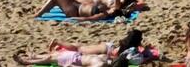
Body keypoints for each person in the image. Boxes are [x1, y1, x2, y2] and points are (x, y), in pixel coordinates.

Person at [14, 30, 143, 67]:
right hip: (76, 58)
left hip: (75, 58)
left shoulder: (105, 60)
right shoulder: (105, 61)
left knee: (49, 58)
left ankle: (28, 59)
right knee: (50, 57)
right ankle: (30, 58)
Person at [33, 0, 137, 21]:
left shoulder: (111, 11)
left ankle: (39, 14)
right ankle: (43, 10)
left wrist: (75, 19)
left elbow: (91, 18)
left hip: (75, 11)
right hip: (78, 6)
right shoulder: (111, 9)